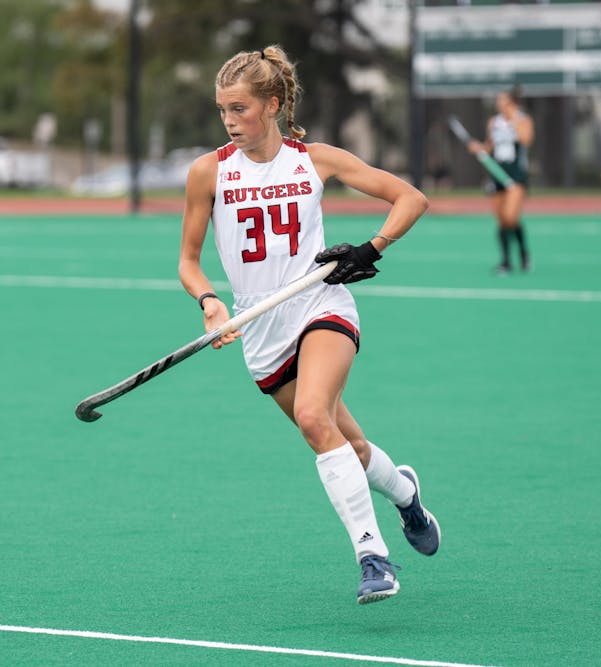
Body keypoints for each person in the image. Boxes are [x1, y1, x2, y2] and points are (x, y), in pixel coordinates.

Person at [178, 45, 439, 605]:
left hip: (321, 306)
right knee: (350, 443)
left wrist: (371, 247)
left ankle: (373, 559)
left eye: (240, 108)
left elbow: (409, 199)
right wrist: (210, 303)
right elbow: (189, 261)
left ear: (272, 105)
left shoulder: (315, 159)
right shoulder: (208, 172)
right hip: (260, 327)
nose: (229, 120)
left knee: (314, 417)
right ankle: (406, 494)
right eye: (222, 109)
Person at [469, 85, 534, 274]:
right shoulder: (493, 122)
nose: (499, 104)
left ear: (512, 102)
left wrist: (513, 120)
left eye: (503, 101)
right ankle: (506, 261)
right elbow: (489, 148)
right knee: (502, 220)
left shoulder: (523, 120)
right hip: (496, 174)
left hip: (516, 176)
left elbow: (526, 140)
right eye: (498, 101)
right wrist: (478, 148)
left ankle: (523, 253)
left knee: (510, 217)